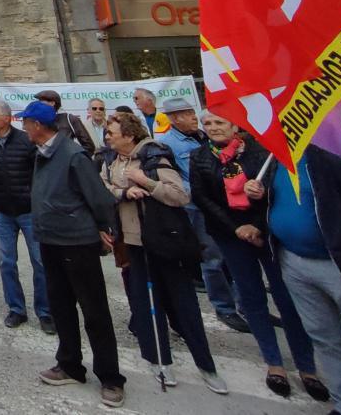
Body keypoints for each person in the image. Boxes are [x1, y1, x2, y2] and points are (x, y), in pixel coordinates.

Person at [190, 112, 327, 401]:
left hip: (265, 233)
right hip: (231, 236)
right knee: (252, 298)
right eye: (209, 123)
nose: (213, 128)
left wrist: (258, 214)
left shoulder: (262, 151)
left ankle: (307, 366)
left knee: (287, 299)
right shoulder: (200, 156)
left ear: (235, 126)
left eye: (220, 122)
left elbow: (277, 194)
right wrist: (236, 227)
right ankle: (274, 363)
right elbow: (203, 198)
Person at [100, 110, 227, 393]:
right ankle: (159, 360)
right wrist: (123, 192)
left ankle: (206, 365)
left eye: (112, 132)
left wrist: (144, 181)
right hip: (133, 242)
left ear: (129, 135)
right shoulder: (111, 159)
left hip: (163, 239)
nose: (107, 136)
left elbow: (179, 195)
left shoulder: (154, 156)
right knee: (146, 304)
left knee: (183, 304)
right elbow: (103, 187)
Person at [24, 99, 125, 408]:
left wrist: (106, 228)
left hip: (76, 242)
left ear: (38, 126)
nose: (24, 128)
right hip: (51, 240)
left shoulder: (72, 155)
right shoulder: (42, 152)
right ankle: (69, 364)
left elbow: (98, 197)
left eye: (26, 123)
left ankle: (110, 377)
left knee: (94, 310)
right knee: (61, 306)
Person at [247, 144, 341, 415]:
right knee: (325, 337)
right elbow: (279, 202)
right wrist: (258, 195)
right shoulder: (275, 157)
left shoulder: (335, 154)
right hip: (293, 262)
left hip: (339, 265)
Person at [158, 96, 246, 332]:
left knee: (234, 256)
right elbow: (175, 179)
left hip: (224, 204)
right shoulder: (167, 144)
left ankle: (245, 304)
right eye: (187, 113)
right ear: (175, 118)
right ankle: (224, 307)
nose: (194, 117)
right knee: (213, 259)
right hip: (197, 208)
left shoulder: (202, 136)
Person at [0, 99, 53, 333]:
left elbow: (39, 171)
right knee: (7, 262)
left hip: (28, 212)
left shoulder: (26, 142)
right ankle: (16, 308)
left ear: (6, 119)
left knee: (39, 262)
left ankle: (45, 312)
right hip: (3, 212)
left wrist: (32, 196)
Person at [35, 89, 95, 155]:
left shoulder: (70, 119)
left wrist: (73, 160)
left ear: (52, 103)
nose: (38, 105)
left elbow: (89, 146)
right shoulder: (38, 122)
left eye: (41, 103)